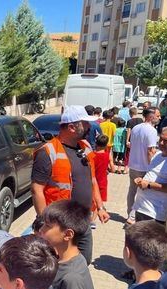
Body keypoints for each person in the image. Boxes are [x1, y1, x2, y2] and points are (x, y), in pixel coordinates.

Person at [31, 105, 110, 265]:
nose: (89, 127)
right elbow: (37, 190)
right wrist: (44, 222)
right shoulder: (47, 152)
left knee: (83, 261)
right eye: (85, 123)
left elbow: (92, 179)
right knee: (58, 263)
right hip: (60, 224)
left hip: (83, 220)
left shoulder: (86, 147)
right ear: (72, 127)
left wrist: (100, 207)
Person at [131, 126, 167, 224]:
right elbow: (151, 175)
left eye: (166, 141)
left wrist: (148, 185)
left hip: (155, 212)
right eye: (161, 139)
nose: (161, 143)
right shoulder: (157, 155)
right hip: (141, 206)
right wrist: (141, 180)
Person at [126, 107, 160, 224]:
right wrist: (153, 168)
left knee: (132, 191)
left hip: (133, 164)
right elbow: (150, 151)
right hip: (144, 167)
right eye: (157, 115)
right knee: (142, 194)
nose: (159, 118)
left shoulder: (136, 127)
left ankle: (129, 214)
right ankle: (133, 217)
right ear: (151, 116)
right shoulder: (151, 131)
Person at [92, 135, 110, 226]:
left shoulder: (92, 155)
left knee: (92, 199)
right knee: (98, 201)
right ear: (106, 145)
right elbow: (113, 169)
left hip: (92, 179)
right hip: (102, 180)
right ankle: (93, 220)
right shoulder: (107, 155)